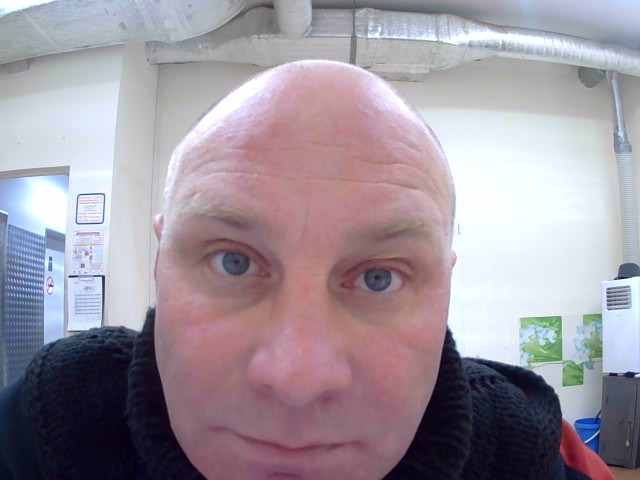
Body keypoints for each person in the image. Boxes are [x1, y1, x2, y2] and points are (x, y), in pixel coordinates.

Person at [0, 60, 613, 480]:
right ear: (160, 261)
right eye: (234, 261)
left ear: (446, 287)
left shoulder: (528, 452)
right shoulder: (45, 426)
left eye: (379, 277)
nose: (296, 378)